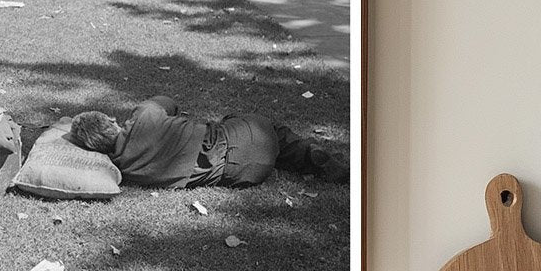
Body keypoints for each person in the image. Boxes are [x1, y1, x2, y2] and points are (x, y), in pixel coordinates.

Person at [70, 95, 349, 189]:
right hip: (245, 137)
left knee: (269, 143)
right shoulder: (143, 116)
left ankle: (298, 158)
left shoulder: (123, 171)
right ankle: (317, 160)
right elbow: (168, 102)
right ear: (111, 121)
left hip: (241, 175)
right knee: (266, 129)